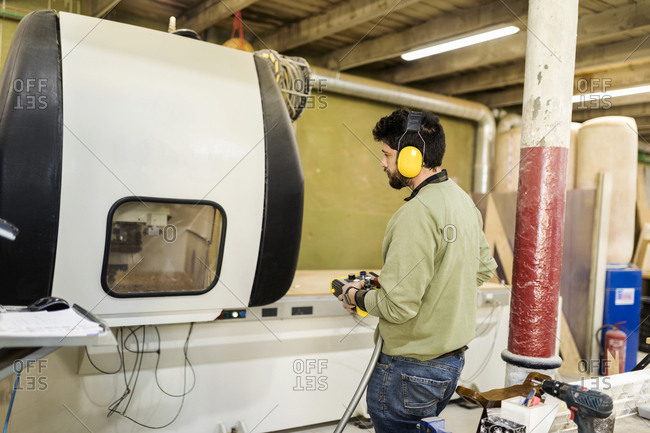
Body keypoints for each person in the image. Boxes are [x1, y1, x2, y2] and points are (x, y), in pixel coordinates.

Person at [339, 108, 497, 432]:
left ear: (412, 156)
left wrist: (355, 295)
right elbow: (481, 269)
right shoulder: (462, 200)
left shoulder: (416, 213)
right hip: (449, 366)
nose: (382, 163)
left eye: (386, 154)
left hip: (408, 371)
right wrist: (432, 284)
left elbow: (398, 308)